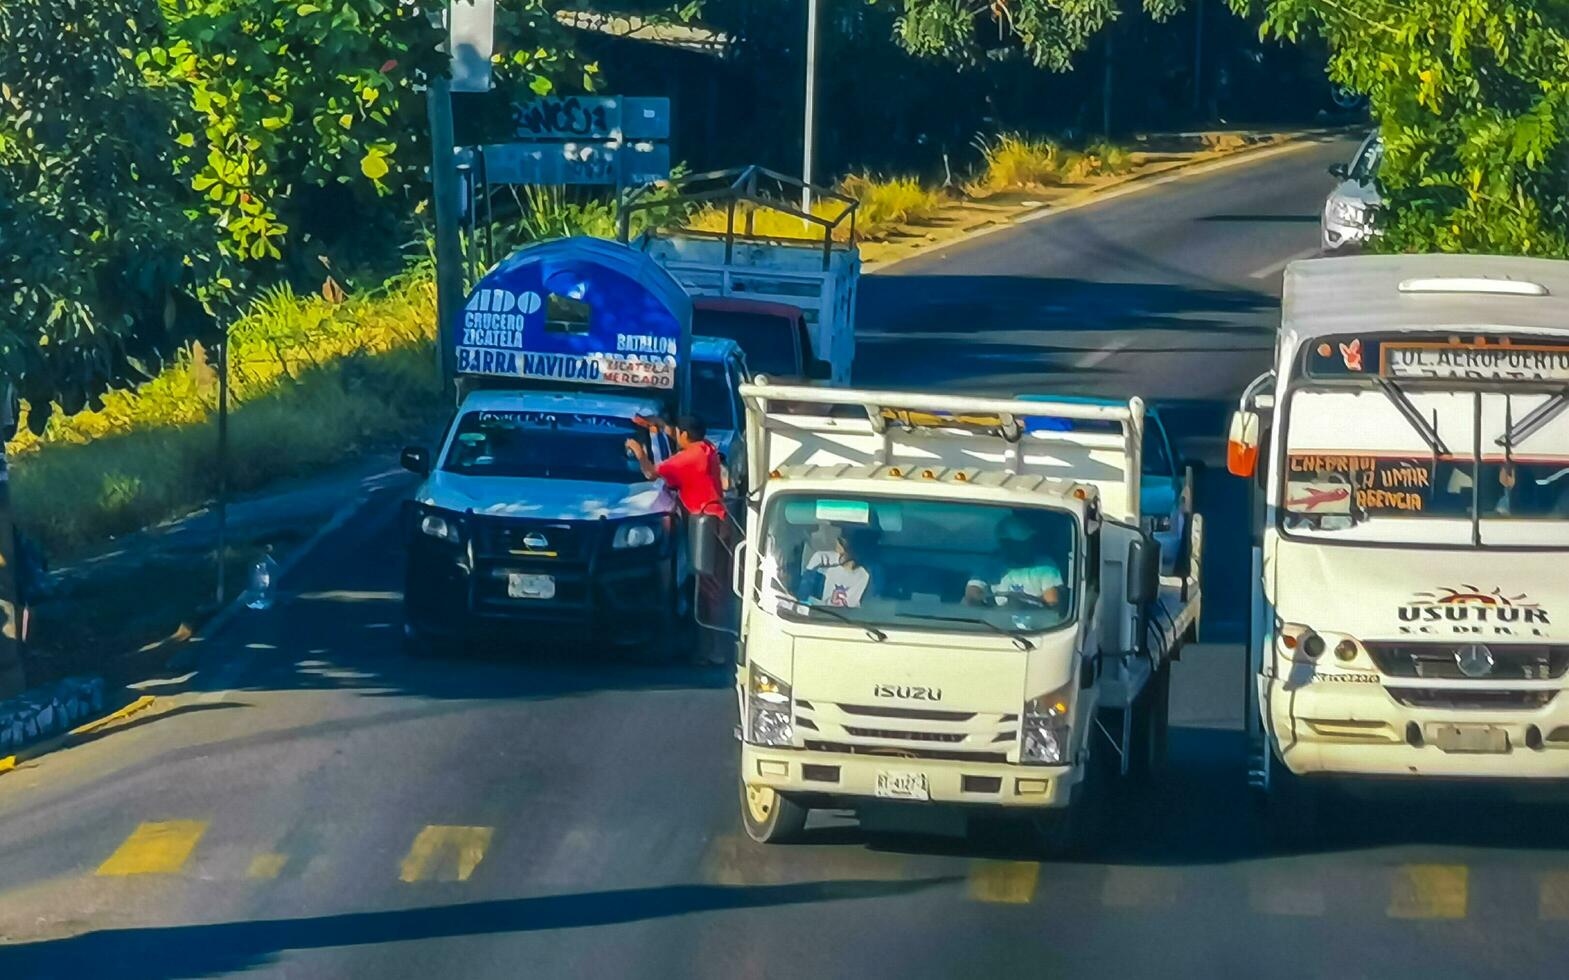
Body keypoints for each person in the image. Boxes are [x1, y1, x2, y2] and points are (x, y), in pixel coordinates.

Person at [625, 415, 730, 663]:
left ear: (685, 435)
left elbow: (651, 473)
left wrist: (638, 451)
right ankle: (707, 647)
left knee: (709, 590)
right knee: (710, 587)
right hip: (718, 522)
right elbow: (679, 435)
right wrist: (659, 426)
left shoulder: (685, 460)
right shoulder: (706, 449)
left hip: (707, 524)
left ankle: (713, 651)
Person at [964, 514, 1062, 609]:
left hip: (1035, 621)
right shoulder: (991, 565)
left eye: (1023, 543)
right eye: (1013, 544)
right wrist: (982, 604)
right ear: (1003, 543)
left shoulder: (1045, 566)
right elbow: (973, 592)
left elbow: (1052, 602)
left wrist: (1023, 606)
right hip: (995, 621)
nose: (1022, 547)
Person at [809, 530, 871, 608]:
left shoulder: (862, 575)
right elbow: (824, 601)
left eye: (840, 549)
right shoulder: (829, 570)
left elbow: (852, 603)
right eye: (836, 548)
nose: (836, 552)